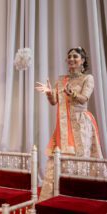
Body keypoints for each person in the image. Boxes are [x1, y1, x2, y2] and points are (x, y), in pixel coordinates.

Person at [36, 46, 104, 201]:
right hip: (63, 126)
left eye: (75, 56)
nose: (72, 59)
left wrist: (71, 93)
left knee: (81, 158)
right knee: (58, 157)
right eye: (69, 57)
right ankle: (55, 198)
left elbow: (84, 98)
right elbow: (54, 102)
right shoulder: (61, 80)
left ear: (83, 60)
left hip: (81, 125)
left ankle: (80, 198)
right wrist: (48, 93)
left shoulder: (88, 78)